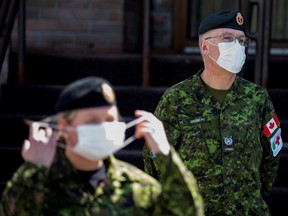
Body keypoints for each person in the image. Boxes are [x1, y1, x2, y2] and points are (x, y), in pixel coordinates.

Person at [142, 10, 283, 216]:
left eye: (242, 41)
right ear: (205, 46)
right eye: (228, 38)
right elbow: (154, 159)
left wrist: (250, 196)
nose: (237, 46)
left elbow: (271, 155)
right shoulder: (177, 98)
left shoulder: (256, 98)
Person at [0, 76, 204, 216]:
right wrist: (34, 168)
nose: (104, 127)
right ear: (64, 127)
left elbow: (189, 211)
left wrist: (164, 154)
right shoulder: (40, 183)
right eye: (92, 121)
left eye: (110, 119)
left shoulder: (137, 186)